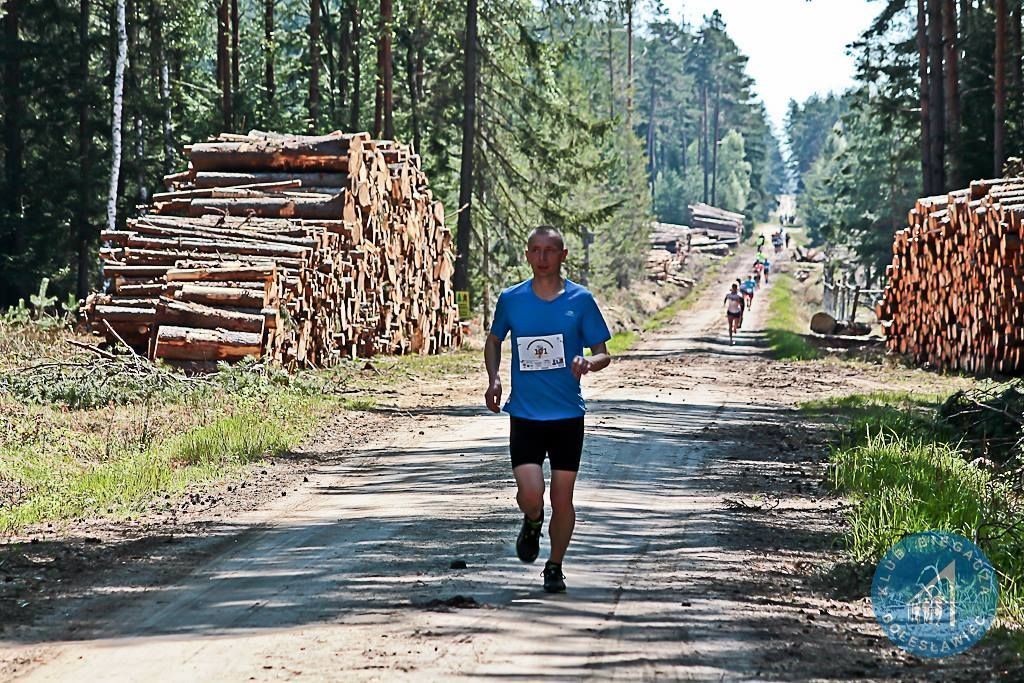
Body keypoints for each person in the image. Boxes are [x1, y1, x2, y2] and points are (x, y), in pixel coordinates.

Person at [484, 225, 612, 594]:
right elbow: (494, 341)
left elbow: (603, 351)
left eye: (550, 250)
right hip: (525, 413)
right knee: (530, 494)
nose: (542, 258)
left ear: (563, 255)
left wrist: (590, 363)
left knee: (562, 497)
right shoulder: (512, 299)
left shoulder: (580, 300)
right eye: (535, 250)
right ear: (527, 255)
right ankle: (532, 519)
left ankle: (555, 565)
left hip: (567, 416)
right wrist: (494, 378)